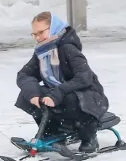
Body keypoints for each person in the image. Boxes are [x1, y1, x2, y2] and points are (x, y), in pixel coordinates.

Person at [15, 11, 109, 153]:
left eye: (41, 32)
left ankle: (89, 137)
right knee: (25, 95)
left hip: (88, 97)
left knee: (71, 99)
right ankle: (51, 131)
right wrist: (33, 93)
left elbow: (85, 77)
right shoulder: (42, 51)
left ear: (53, 29)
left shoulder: (67, 48)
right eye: (35, 34)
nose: (38, 37)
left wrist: (58, 92)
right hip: (57, 94)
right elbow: (24, 74)